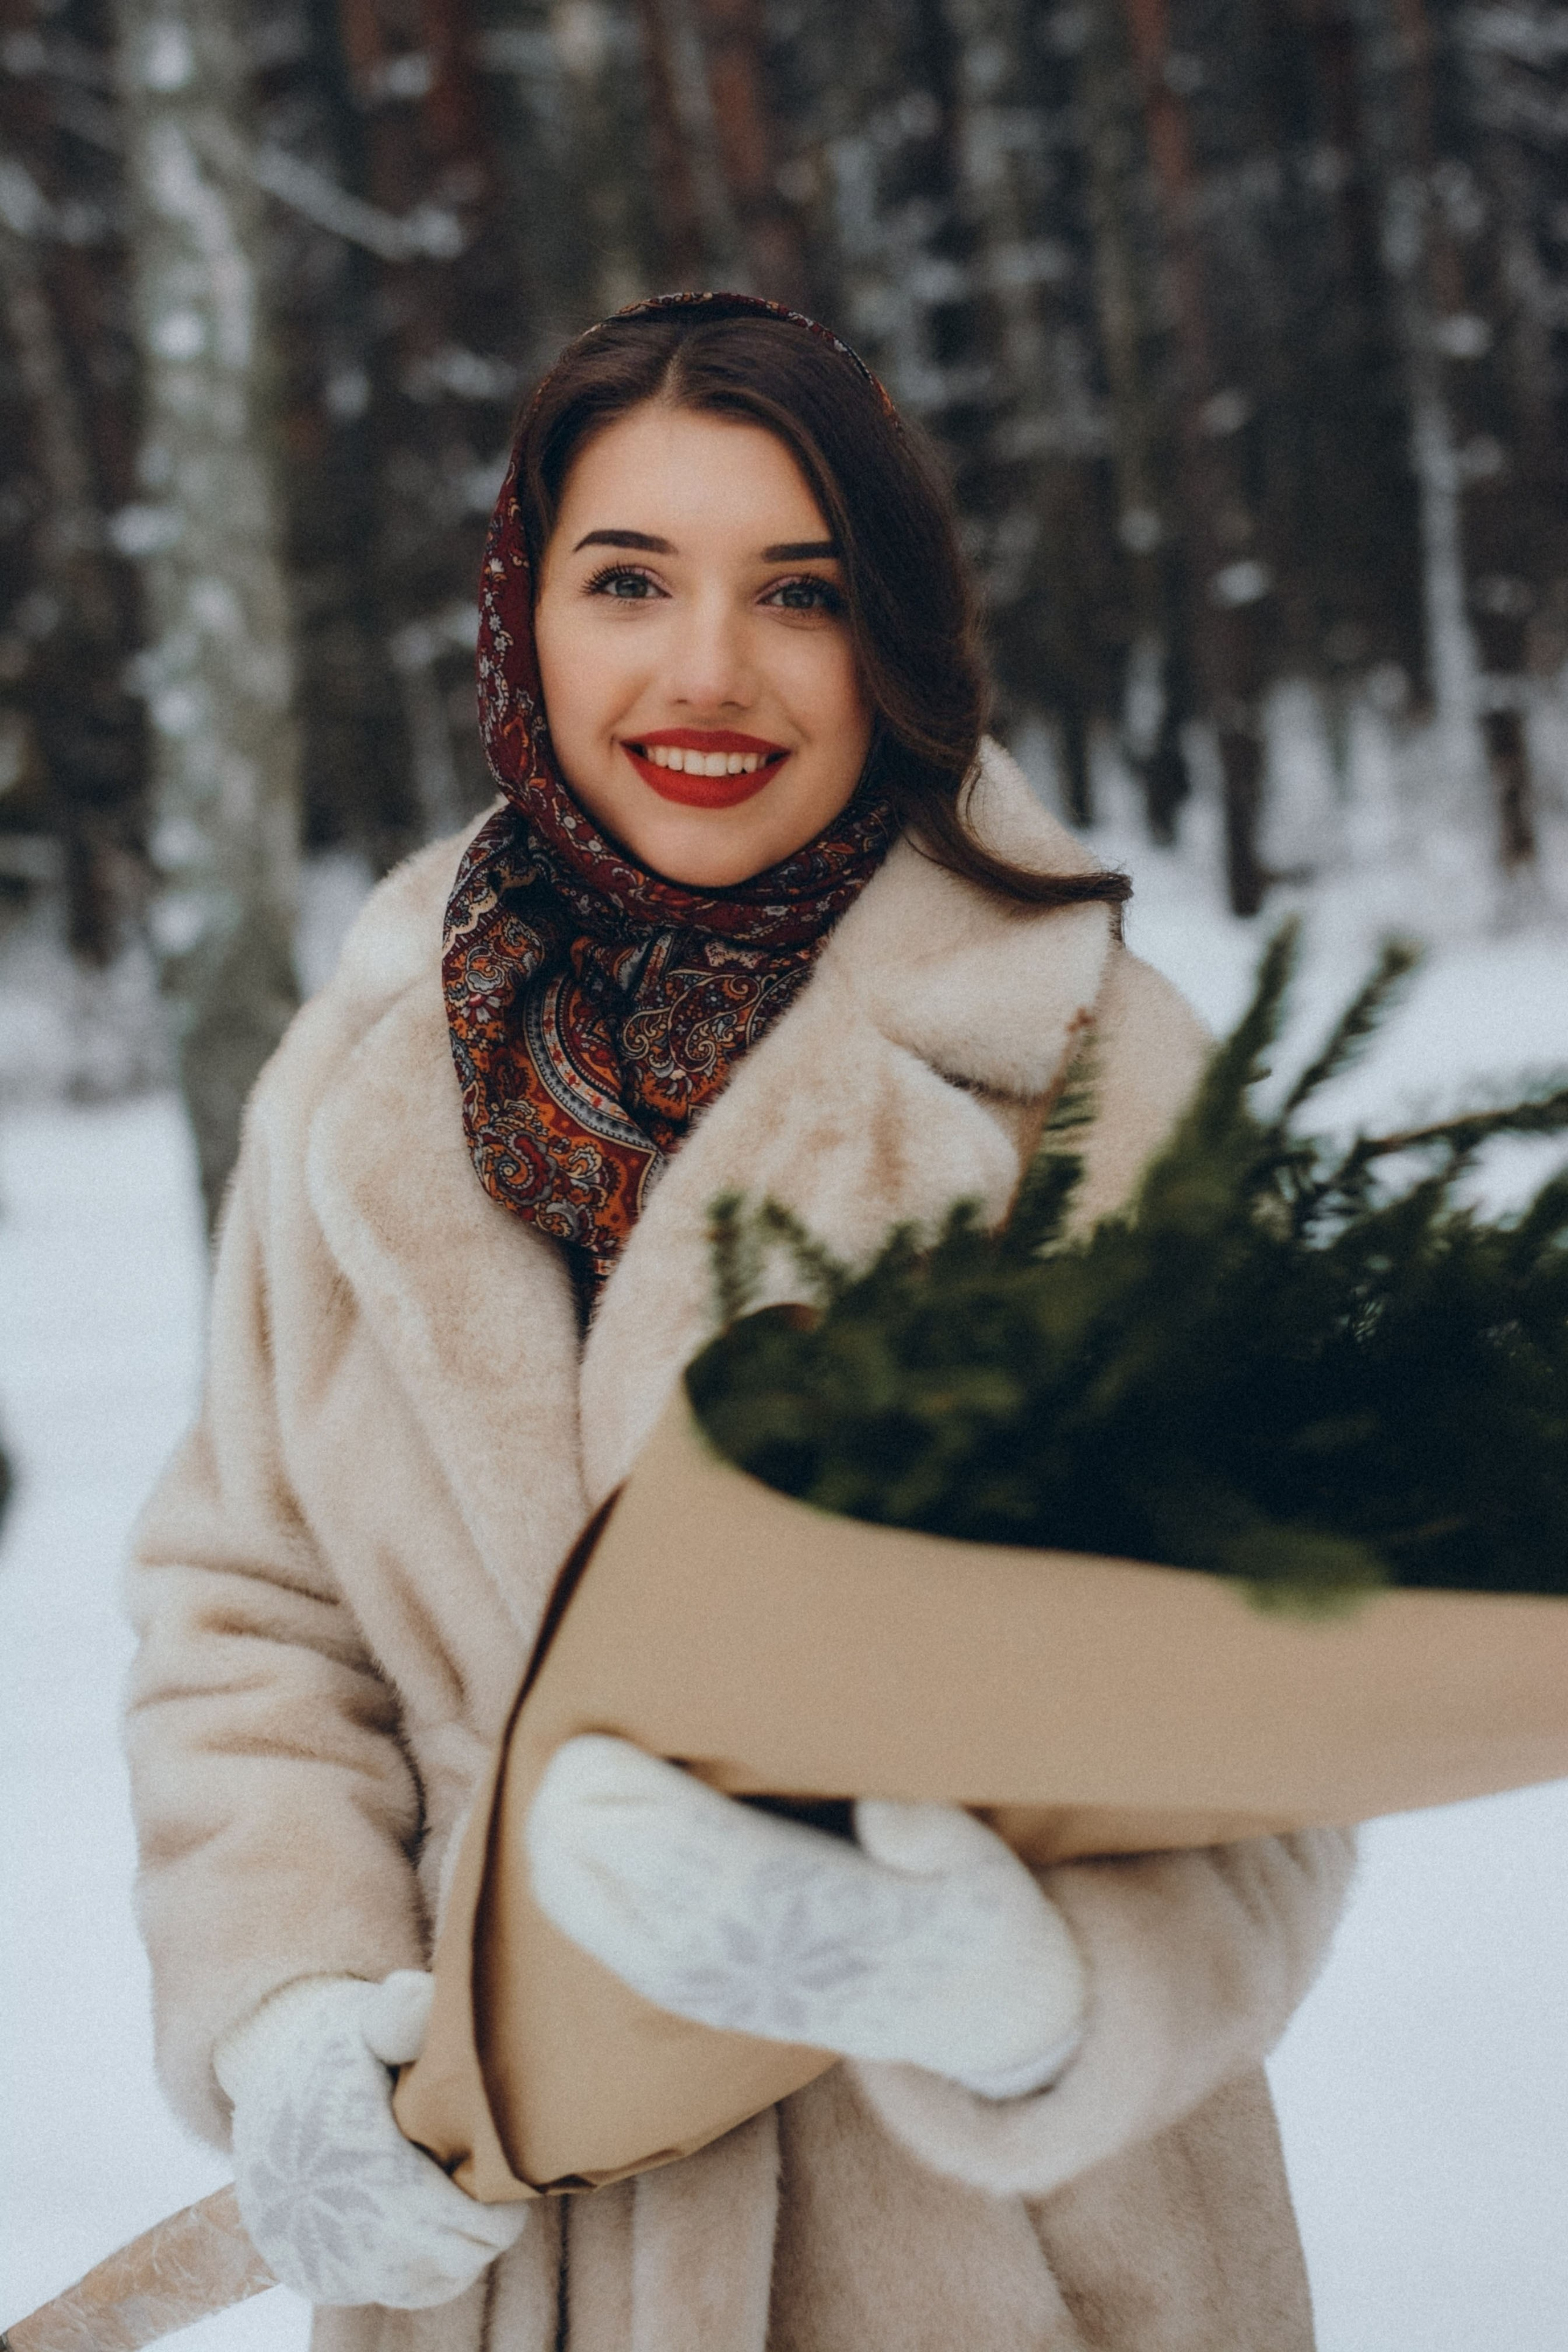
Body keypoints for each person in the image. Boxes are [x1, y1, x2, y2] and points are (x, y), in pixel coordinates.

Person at [125, 293, 1354, 2352]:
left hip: (1010, 2250)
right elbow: (251, 1613)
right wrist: (294, 2011)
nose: (710, 670)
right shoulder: (363, 1081)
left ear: (896, 633)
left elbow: (1283, 1673)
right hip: (506, 2236)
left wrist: (1026, 1993)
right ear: (526, 618)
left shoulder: (1087, 1075)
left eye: (799, 591)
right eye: (630, 581)